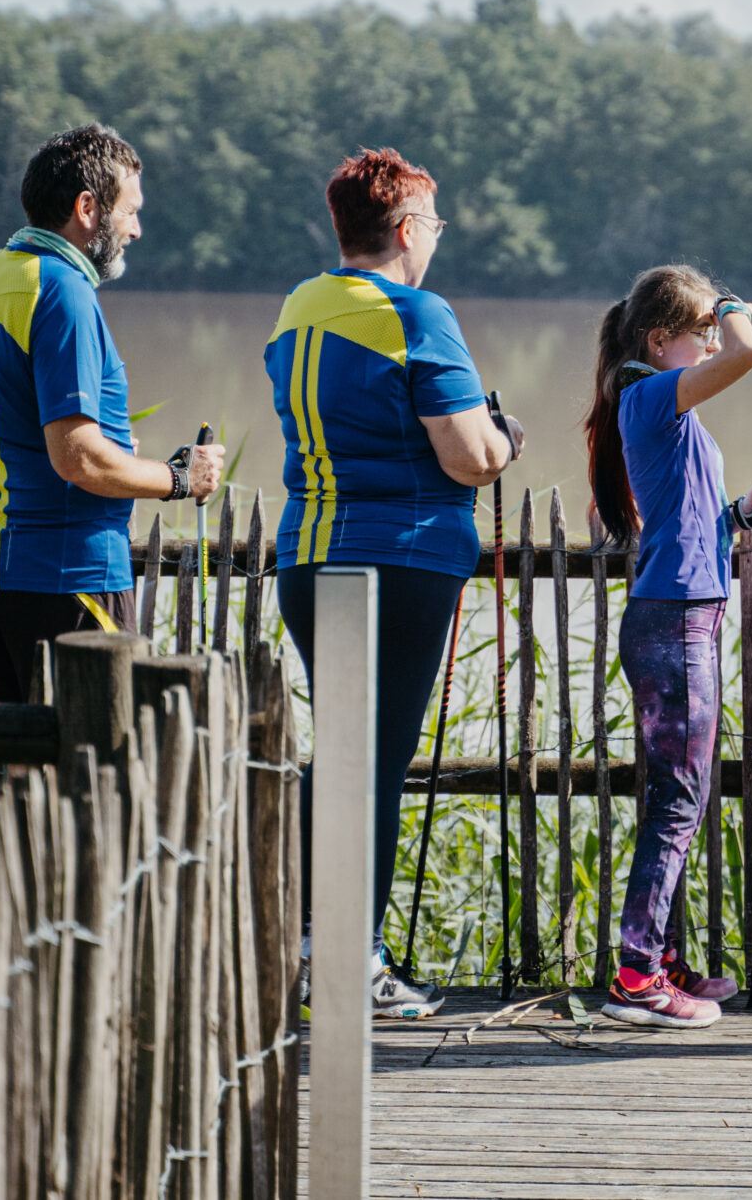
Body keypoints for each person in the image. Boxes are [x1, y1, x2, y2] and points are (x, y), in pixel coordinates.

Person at [265, 147, 521, 1021]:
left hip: (307, 557)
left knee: (337, 754)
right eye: (435, 226)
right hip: (399, 561)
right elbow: (468, 453)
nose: (436, 242)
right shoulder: (416, 313)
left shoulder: (298, 307)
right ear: (408, 229)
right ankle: (351, 962)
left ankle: (306, 948)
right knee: (370, 766)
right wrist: (505, 436)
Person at [0, 122, 225, 704]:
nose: (137, 229)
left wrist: (91, 458)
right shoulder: (63, 290)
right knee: (97, 766)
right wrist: (178, 478)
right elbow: (77, 459)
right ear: (87, 208)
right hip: (73, 579)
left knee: (22, 774)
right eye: (130, 212)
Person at [584, 265, 752, 1029]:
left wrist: (742, 512)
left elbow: (691, 522)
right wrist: (732, 307)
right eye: (697, 331)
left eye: (710, 329)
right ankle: (636, 976)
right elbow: (748, 354)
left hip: (681, 614)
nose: (709, 342)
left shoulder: (667, 407)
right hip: (674, 623)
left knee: (679, 797)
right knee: (677, 801)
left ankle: (659, 957)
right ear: (658, 338)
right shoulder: (647, 396)